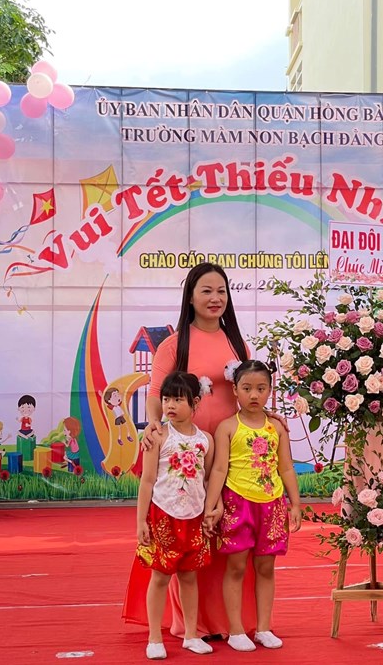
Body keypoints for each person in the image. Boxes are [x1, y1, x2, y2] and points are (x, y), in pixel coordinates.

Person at [122, 262, 257, 639]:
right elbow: (155, 394)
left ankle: (229, 622)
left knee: (226, 534)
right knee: (188, 534)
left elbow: (250, 392)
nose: (215, 298)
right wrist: (155, 425)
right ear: (191, 297)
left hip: (229, 451)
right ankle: (192, 624)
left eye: (221, 291)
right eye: (206, 291)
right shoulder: (173, 345)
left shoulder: (238, 344)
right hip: (187, 455)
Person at [204, 360, 303, 652]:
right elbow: (218, 470)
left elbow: (286, 467)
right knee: (236, 567)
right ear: (235, 390)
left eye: (261, 388)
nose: (254, 395)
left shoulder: (276, 428)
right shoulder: (227, 427)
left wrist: (295, 504)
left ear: (270, 390)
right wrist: (211, 506)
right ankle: (236, 630)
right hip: (238, 504)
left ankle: (263, 628)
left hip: (272, 505)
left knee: (266, 567)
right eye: (247, 388)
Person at [136, 372, 214, 660]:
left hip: (194, 517)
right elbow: (147, 480)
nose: (169, 405)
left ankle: (191, 635)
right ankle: (154, 638)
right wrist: (141, 520)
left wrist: (211, 511)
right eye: (166, 399)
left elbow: (208, 479)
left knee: (189, 578)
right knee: (159, 577)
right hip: (163, 515)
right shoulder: (158, 436)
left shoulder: (206, 440)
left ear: (195, 402)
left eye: (178, 399)